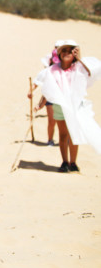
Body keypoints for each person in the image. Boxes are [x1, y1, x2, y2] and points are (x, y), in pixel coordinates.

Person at [33, 39, 101, 172]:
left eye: (70, 50)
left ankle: (73, 162)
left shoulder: (79, 67)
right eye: (63, 50)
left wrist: (79, 58)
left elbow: (91, 71)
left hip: (75, 107)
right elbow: (49, 88)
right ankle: (64, 161)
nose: (66, 53)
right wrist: (40, 104)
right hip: (60, 106)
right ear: (58, 54)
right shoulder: (53, 70)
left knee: (73, 134)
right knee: (63, 135)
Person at [30, 40, 62, 146]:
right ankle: (50, 139)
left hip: (61, 99)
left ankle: (64, 140)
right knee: (52, 121)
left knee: (62, 122)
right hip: (50, 99)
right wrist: (31, 92)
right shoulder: (48, 70)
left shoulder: (66, 69)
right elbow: (39, 83)